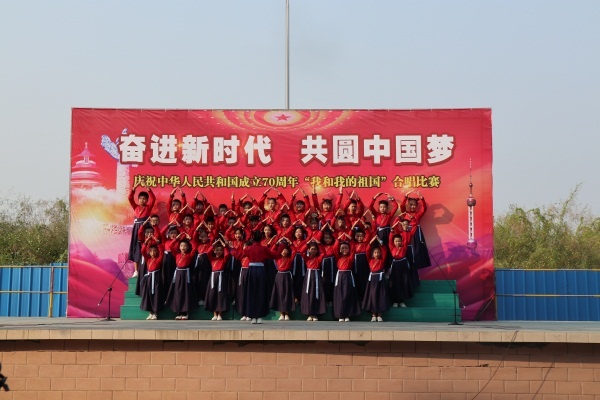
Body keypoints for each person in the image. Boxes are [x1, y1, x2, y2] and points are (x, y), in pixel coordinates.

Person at [241, 231, 278, 324]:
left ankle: (252, 316)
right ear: (261, 238)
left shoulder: (248, 248)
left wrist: (232, 248)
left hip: (251, 271)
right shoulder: (264, 248)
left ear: (252, 238)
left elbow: (238, 255)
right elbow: (275, 255)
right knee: (261, 292)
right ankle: (260, 316)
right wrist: (281, 246)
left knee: (251, 293)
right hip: (261, 270)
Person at [164, 235, 198, 320]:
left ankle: (185, 312)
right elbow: (171, 246)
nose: (183, 247)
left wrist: (190, 239)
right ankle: (179, 312)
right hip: (178, 274)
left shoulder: (189, 255)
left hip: (186, 274)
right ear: (179, 247)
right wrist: (177, 238)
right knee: (178, 292)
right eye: (181, 245)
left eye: (185, 246)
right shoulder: (177, 254)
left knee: (186, 292)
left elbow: (195, 247)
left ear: (188, 247)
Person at [128, 183, 155, 278]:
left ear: (147, 200)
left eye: (144, 199)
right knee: (136, 249)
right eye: (140, 198)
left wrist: (148, 189)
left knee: (147, 247)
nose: (142, 200)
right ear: (138, 199)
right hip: (136, 229)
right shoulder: (135, 207)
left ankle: (148, 268)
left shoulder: (148, 207)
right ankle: (136, 271)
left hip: (146, 229)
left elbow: (153, 199)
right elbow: (130, 198)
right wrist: (134, 189)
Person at [400, 190, 430, 269]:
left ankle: (417, 265)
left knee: (417, 249)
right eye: (411, 205)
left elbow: (424, 208)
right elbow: (402, 206)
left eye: (414, 205)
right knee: (407, 249)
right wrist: (406, 196)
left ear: (416, 206)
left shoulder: (418, 214)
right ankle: (408, 264)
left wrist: (422, 198)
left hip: (416, 232)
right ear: (408, 205)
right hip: (407, 232)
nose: (412, 206)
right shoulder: (405, 213)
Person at [332, 241, 361, 322]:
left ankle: (347, 315)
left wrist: (350, 239)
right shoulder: (338, 257)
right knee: (340, 296)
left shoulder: (350, 258)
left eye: (346, 248)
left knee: (347, 295)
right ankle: (340, 315)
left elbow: (353, 250)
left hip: (348, 277)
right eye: (342, 248)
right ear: (340, 250)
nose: (344, 250)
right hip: (340, 277)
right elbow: (334, 248)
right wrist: (338, 240)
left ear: (349, 249)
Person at [204, 239, 231, 321]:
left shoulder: (223, 259)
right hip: (213, 277)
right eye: (217, 250)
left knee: (220, 294)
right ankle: (215, 313)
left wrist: (224, 246)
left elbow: (227, 254)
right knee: (213, 294)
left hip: (220, 277)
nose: (219, 252)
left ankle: (220, 314)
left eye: (220, 250)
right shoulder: (212, 259)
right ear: (214, 251)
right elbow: (208, 252)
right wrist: (214, 244)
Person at [362, 244, 389, 322]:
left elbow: (384, 250)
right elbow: (367, 250)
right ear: (372, 254)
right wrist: (370, 243)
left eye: (378, 252)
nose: (377, 254)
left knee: (380, 296)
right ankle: (373, 314)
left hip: (380, 280)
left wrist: (380, 243)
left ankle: (379, 315)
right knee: (372, 296)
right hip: (372, 280)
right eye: (375, 252)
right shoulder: (370, 260)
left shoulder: (382, 260)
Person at [269, 240, 294, 320]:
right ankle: (281, 314)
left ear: (288, 251)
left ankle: (287, 313)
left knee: (287, 294)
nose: (284, 251)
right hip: (279, 276)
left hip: (287, 276)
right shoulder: (277, 258)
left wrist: (291, 244)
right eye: (282, 250)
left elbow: (294, 251)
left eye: (285, 250)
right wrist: (276, 244)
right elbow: (272, 251)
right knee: (280, 294)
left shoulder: (290, 258)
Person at [301, 241, 326, 321]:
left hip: (317, 277)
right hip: (309, 277)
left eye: (315, 249)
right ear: (309, 250)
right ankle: (309, 314)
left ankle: (315, 314)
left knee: (316, 294)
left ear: (317, 250)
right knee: (308, 294)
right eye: (312, 249)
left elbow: (323, 253)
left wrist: (319, 244)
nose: (313, 251)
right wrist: (307, 244)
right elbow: (301, 251)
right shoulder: (307, 258)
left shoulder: (319, 258)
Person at [139, 242, 164, 320]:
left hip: (156, 278)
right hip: (149, 278)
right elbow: (143, 251)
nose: (153, 253)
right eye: (151, 251)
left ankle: (155, 313)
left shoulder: (158, 259)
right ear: (149, 252)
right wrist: (146, 242)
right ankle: (150, 313)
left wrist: (158, 243)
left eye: (154, 251)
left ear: (157, 252)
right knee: (148, 295)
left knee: (156, 295)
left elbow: (162, 252)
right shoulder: (148, 259)